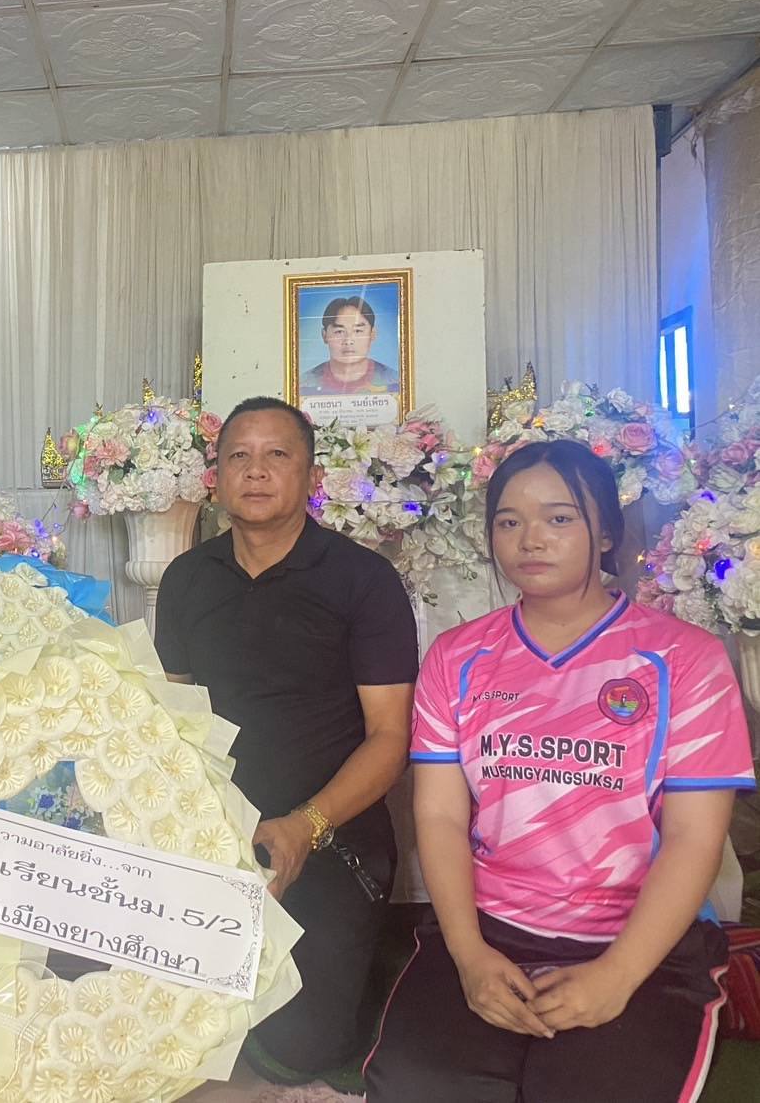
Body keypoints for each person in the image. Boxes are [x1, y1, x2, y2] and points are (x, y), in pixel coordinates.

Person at [365, 440, 755, 1103]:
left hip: (636, 936)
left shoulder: (683, 659)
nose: (530, 539)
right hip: (490, 927)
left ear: (604, 533)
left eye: (558, 518)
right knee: (418, 1086)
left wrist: (617, 975)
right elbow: (438, 814)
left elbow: (694, 836)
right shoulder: (457, 658)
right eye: (508, 521)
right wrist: (469, 956)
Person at [154, 396, 418, 1081]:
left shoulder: (362, 580)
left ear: (311, 477)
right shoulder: (186, 579)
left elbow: (390, 738)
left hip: (329, 834)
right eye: (238, 456)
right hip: (215, 831)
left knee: (296, 1052)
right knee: (167, 1021)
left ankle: (366, 974)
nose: (256, 470)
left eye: (278, 455)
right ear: (215, 478)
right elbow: (170, 719)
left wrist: (306, 827)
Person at [302, 296, 399, 396]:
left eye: (358, 331)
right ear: (324, 335)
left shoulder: (396, 383)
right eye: (339, 331)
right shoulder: (302, 386)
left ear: (372, 334)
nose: (348, 341)